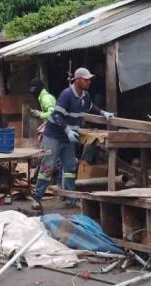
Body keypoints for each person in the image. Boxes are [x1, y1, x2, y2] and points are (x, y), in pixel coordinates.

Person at [32, 68, 114, 210]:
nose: (89, 82)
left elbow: (90, 107)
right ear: (77, 80)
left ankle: (71, 198)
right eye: (86, 79)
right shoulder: (66, 95)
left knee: (70, 167)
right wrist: (68, 130)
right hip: (54, 135)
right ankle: (37, 198)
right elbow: (57, 116)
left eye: (89, 79)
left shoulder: (85, 96)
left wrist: (103, 113)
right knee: (47, 167)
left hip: (68, 137)